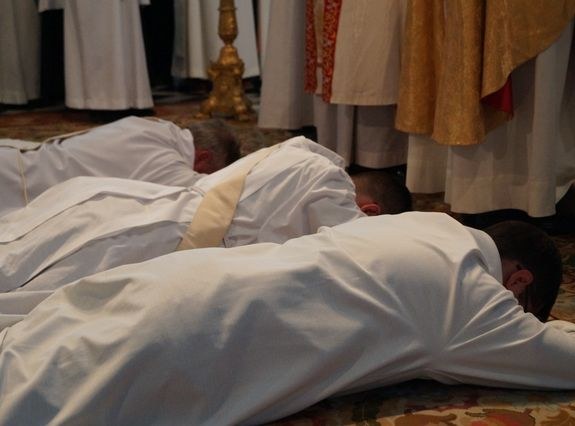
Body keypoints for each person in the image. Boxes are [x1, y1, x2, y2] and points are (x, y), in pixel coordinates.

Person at [0, 212, 575, 425]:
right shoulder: (471, 301)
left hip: (188, 279)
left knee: (38, 349)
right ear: (518, 282)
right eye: (525, 311)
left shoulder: (429, 224)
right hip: (200, 338)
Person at [0, 136, 411, 295]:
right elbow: (356, 255)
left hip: (132, 199)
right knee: (34, 278)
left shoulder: (298, 152)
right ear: (369, 210)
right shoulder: (332, 190)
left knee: (29, 245)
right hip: (161, 236)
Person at [0, 116, 240, 216]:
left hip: (17, 161)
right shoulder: (166, 162)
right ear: (203, 159)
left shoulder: (157, 126)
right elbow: (209, 195)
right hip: (19, 187)